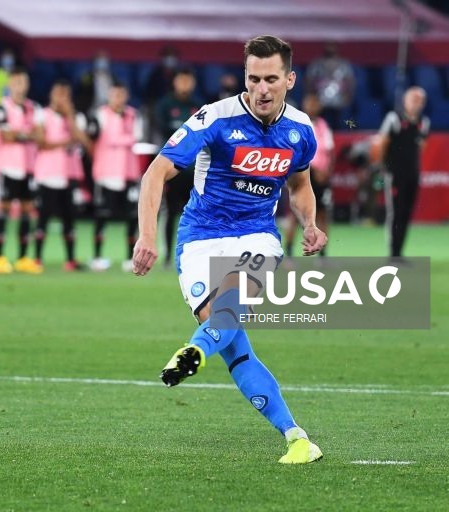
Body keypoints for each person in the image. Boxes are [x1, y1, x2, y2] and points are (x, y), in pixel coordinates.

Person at [132, 35, 327, 464]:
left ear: (289, 79)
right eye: (253, 78)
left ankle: (195, 351)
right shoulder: (214, 119)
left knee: (232, 307)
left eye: (271, 79)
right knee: (234, 341)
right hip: (200, 237)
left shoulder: (300, 131)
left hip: (257, 234)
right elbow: (155, 173)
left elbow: (300, 185)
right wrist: (147, 235)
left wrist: (310, 223)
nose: (261, 88)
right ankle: (297, 437)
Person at [33, 79, 90, 272]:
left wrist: (70, 116)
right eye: (58, 94)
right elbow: (41, 142)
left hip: (69, 174)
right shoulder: (42, 114)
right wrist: (66, 141)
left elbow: (82, 140)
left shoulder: (76, 117)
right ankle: (37, 259)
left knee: (70, 219)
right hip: (47, 174)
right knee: (43, 218)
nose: (62, 98)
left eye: (65, 94)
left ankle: (70, 260)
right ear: (51, 95)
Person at [0, 66, 41, 274]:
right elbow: (6, 136)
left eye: (23, 82)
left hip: (28, 166)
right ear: (10, 85)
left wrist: (20, 133)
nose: (20, 87)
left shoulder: (33, 107)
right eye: (16, 82)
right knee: (4, 209)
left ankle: (22, 257)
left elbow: (39, 135)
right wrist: (26, 134)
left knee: (27, 211)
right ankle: (0, 257)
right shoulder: (2, 107)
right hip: (8, 167)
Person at [87, 81, 142, 272]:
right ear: (109, 96)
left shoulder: (133, 115)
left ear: (126, 96)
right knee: (102, 215)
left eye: (121, 95)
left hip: (128, 173)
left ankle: (130, 257)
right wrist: (123, 139)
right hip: (106, 174)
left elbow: (137, 137)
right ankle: (98, 256)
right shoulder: (100, 114)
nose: (118, 99)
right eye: (115, 95)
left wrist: (116, 139)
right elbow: (108, 138)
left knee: (132, 216)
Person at [153, 68, 203, 268]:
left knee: (195, 212)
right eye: (181, 79)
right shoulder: (165, 105)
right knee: (170, 212)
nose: (184, 84)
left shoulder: (198, 106)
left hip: (195, 170)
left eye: (188, 79)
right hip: (173, 170)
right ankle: (167, 256)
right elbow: (162, 132)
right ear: (175, 82)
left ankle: (193, 253)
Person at [378, 86, 429, 260]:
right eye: (414, 99)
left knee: (407, 212)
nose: (417, 104)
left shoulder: (424, 122)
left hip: (413, 174)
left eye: (421, 100)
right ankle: (393, 253)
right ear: (405, 101)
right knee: (396, 213)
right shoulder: (394, 119)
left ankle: (399, 252)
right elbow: (382, 143)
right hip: (394, 174)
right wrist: (383, 166)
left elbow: (421, 146)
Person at [284, 93, 334, 259]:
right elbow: (294, 153)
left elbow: (330, 150)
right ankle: (289, 252)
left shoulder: (323, 125)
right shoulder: (297, 125)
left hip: (322, 178)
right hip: (303, 175)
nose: (313, 107)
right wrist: (313, 170)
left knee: (323, 214)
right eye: (310, 103)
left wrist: (327, 172)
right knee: (296, 214)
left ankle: (323, 255)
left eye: (315, 103)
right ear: (304, 105)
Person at [305, 42, 355, 129]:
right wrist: (312, 97)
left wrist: (348, 96)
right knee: (320, 124)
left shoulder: (343, 64)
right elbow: (309, 81)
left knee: (341, 123)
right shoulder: (317, 64)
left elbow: (351, 81)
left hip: (340, 102)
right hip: (320, 102)